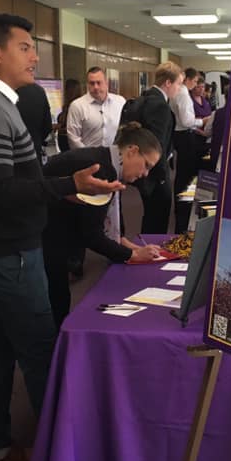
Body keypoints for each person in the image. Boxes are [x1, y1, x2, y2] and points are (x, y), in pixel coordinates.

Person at [0, 12, 123, 461]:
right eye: (26, 47)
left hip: (4, 247)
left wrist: (68, 189)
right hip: (7, 253)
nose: (35, 56)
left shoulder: (0, 103)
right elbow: (0, 190)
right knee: (41, 352)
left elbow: (19, 179)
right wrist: (66, 181)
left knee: (4, 349)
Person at [42, 123, 163, 327]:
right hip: (45, 241)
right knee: (53, 312)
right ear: (132, 151)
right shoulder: (102, 170)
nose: (145, 174)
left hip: (49, 235)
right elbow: (92, 234)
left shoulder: (106, 159)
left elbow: (105, 215)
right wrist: (133, 255)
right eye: (147, 165)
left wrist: (128, 245)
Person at [132, 61, 184, 234]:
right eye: (178, 83)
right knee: (158, 218)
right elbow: (157, 145)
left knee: (151, 216)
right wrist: (162, 177)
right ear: (168, 83)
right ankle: (152, 253)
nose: (179, 88)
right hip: (155, 174)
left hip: (145, 169)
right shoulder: (159, 105)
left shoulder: (144, 98)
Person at [171, 67, 205, 232]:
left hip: (180, 137)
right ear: (189, 80)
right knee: (186, 178)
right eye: (196, 81)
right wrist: (202, 121)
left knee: (182, 177)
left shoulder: (178, 92)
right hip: (185, 136)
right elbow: (186, 121)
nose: (197, 84)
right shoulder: (184, 94)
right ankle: (183, 215)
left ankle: (182, 209)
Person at [66, 66, 126, 150]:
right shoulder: (77, 106)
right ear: (87, 85)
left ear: (106, 83)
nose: (96, 87)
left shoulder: (120, 102)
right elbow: (73, 138)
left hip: (115, 156)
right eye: (92, 83)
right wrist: (87, 157)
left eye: (99, 82)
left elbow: (125, 130)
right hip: (87, 158)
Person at [16, 81, 53, 161]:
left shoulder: (3, 91)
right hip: (34, 152)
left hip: (10, 156)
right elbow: (48, 126)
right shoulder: (39, 91)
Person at [56, 78, 82, 153]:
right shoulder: (67, 106)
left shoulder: (75, 106)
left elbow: (71, 128)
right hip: (65, 146)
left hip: (69, 146)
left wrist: (58, 127)